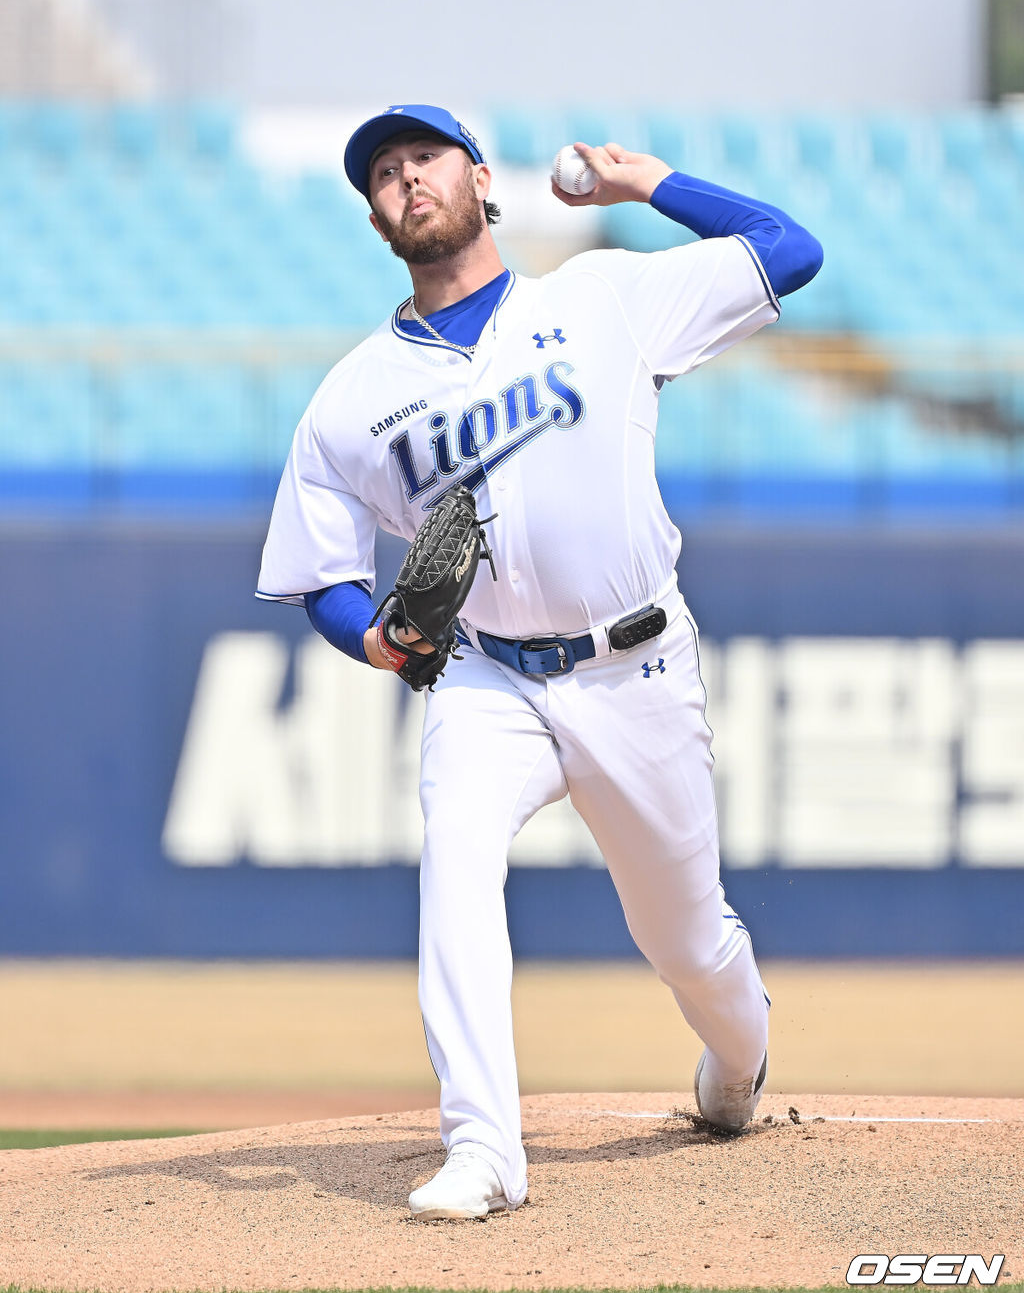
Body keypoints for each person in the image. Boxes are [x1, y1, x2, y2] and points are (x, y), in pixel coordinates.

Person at [257, 104, 823, 1221]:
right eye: (381, 171)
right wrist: (370, 633)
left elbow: (789, 252)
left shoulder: (601, 297)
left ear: (477, 176)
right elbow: (320, 575)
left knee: (689, 939)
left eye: (423, 156)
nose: (404, 178)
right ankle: (483, 1146)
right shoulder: (349, 398)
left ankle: (736, 1062)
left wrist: (651, 183)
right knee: (454, 856)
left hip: (636, 665)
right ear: (374, 215)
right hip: (487, 674)